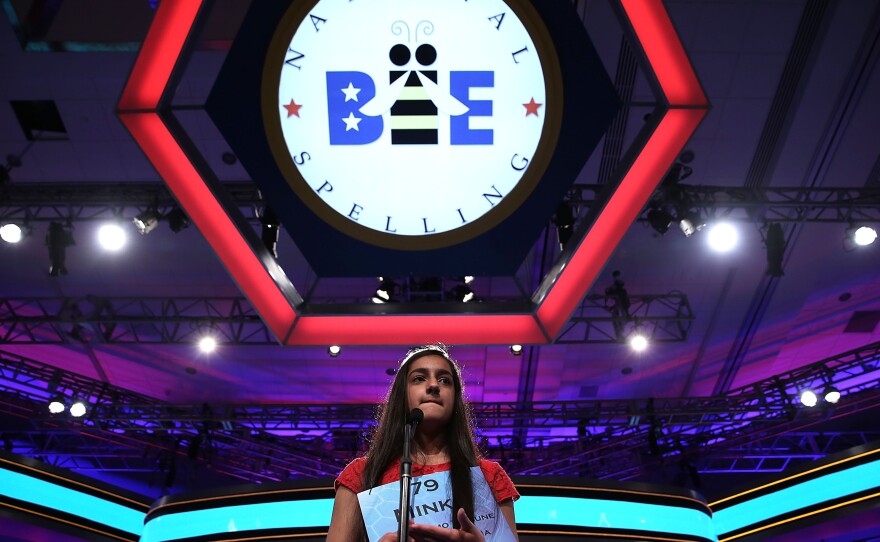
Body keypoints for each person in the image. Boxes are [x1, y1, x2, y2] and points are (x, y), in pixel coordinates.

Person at [326, 344, 519, 542]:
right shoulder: (361, 474)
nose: (434, 385)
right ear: (402, 395)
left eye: (445, 380)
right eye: (419, 378)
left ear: (455, 399)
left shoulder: (489, 476)